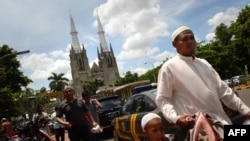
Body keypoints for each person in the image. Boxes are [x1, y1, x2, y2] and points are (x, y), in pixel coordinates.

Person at [155, 26, 250, 140]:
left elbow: (223, 90)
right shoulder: (169, 67)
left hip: (222, 124)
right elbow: (163, 98)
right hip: (201, 130)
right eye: (185, 39)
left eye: (192, 38)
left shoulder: (204, 63)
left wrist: (245, 110)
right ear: (174, 44)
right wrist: (175, 118)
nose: (190, 41)